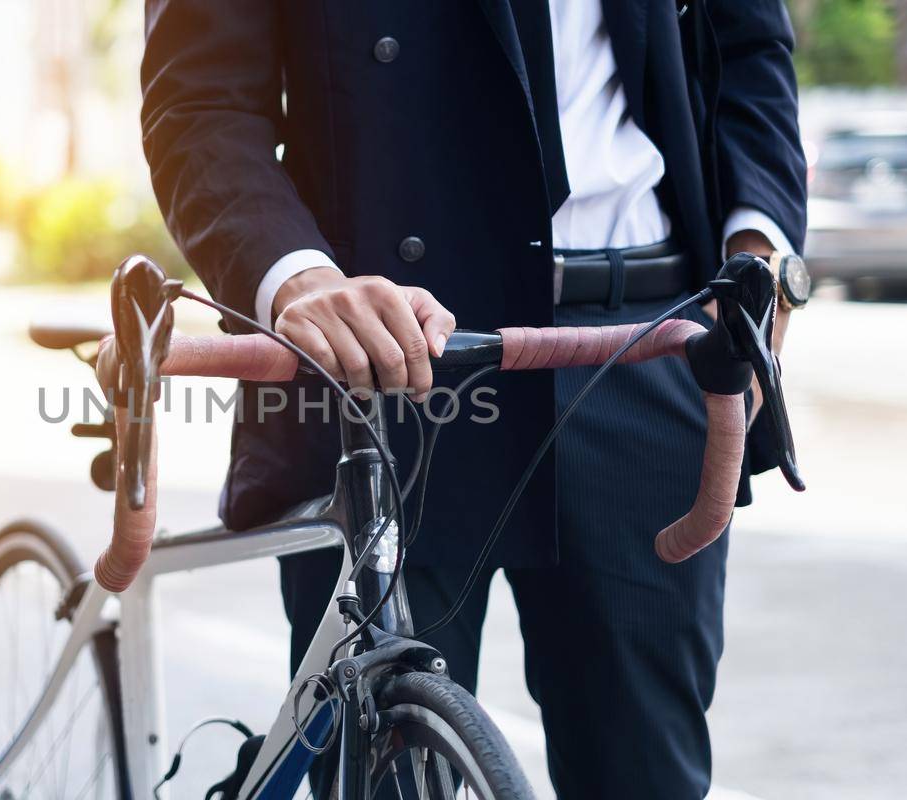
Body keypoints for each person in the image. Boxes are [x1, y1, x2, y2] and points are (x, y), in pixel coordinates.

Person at [140, 1, 807, 796]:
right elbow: (201, 99)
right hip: (388, 350)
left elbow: (749, 40)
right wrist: (299, 278)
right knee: (386, 775)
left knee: (646, 776)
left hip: (642, 338)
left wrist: (760, 247)